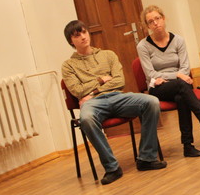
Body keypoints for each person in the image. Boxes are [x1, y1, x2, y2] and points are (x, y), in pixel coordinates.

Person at [61, 20, 167, 185]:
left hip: (116, 96)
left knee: (151, 102)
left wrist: (93, 91)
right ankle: (112, 168)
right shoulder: (68, 66)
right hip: (93, 103)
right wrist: (101, 79)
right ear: (71, 41)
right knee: (86, 119)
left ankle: (146, 158)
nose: (83, 37)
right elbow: (77, 90)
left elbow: (119, 81)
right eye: (77, 35)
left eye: (84, 32)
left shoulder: (108, 55)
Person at [137, 5, 200, 157]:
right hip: (158, 88)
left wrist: (175, 76)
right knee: (182, 85)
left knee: (181, 97)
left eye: (157, 18)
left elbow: (185, 68)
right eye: (151, 21)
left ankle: (188, 145)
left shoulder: (178, 40)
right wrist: (177, 76)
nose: (155, 23)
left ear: (164, 18)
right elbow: (151, 74)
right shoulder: (143, 46)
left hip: (179, 85)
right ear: (147, 26)